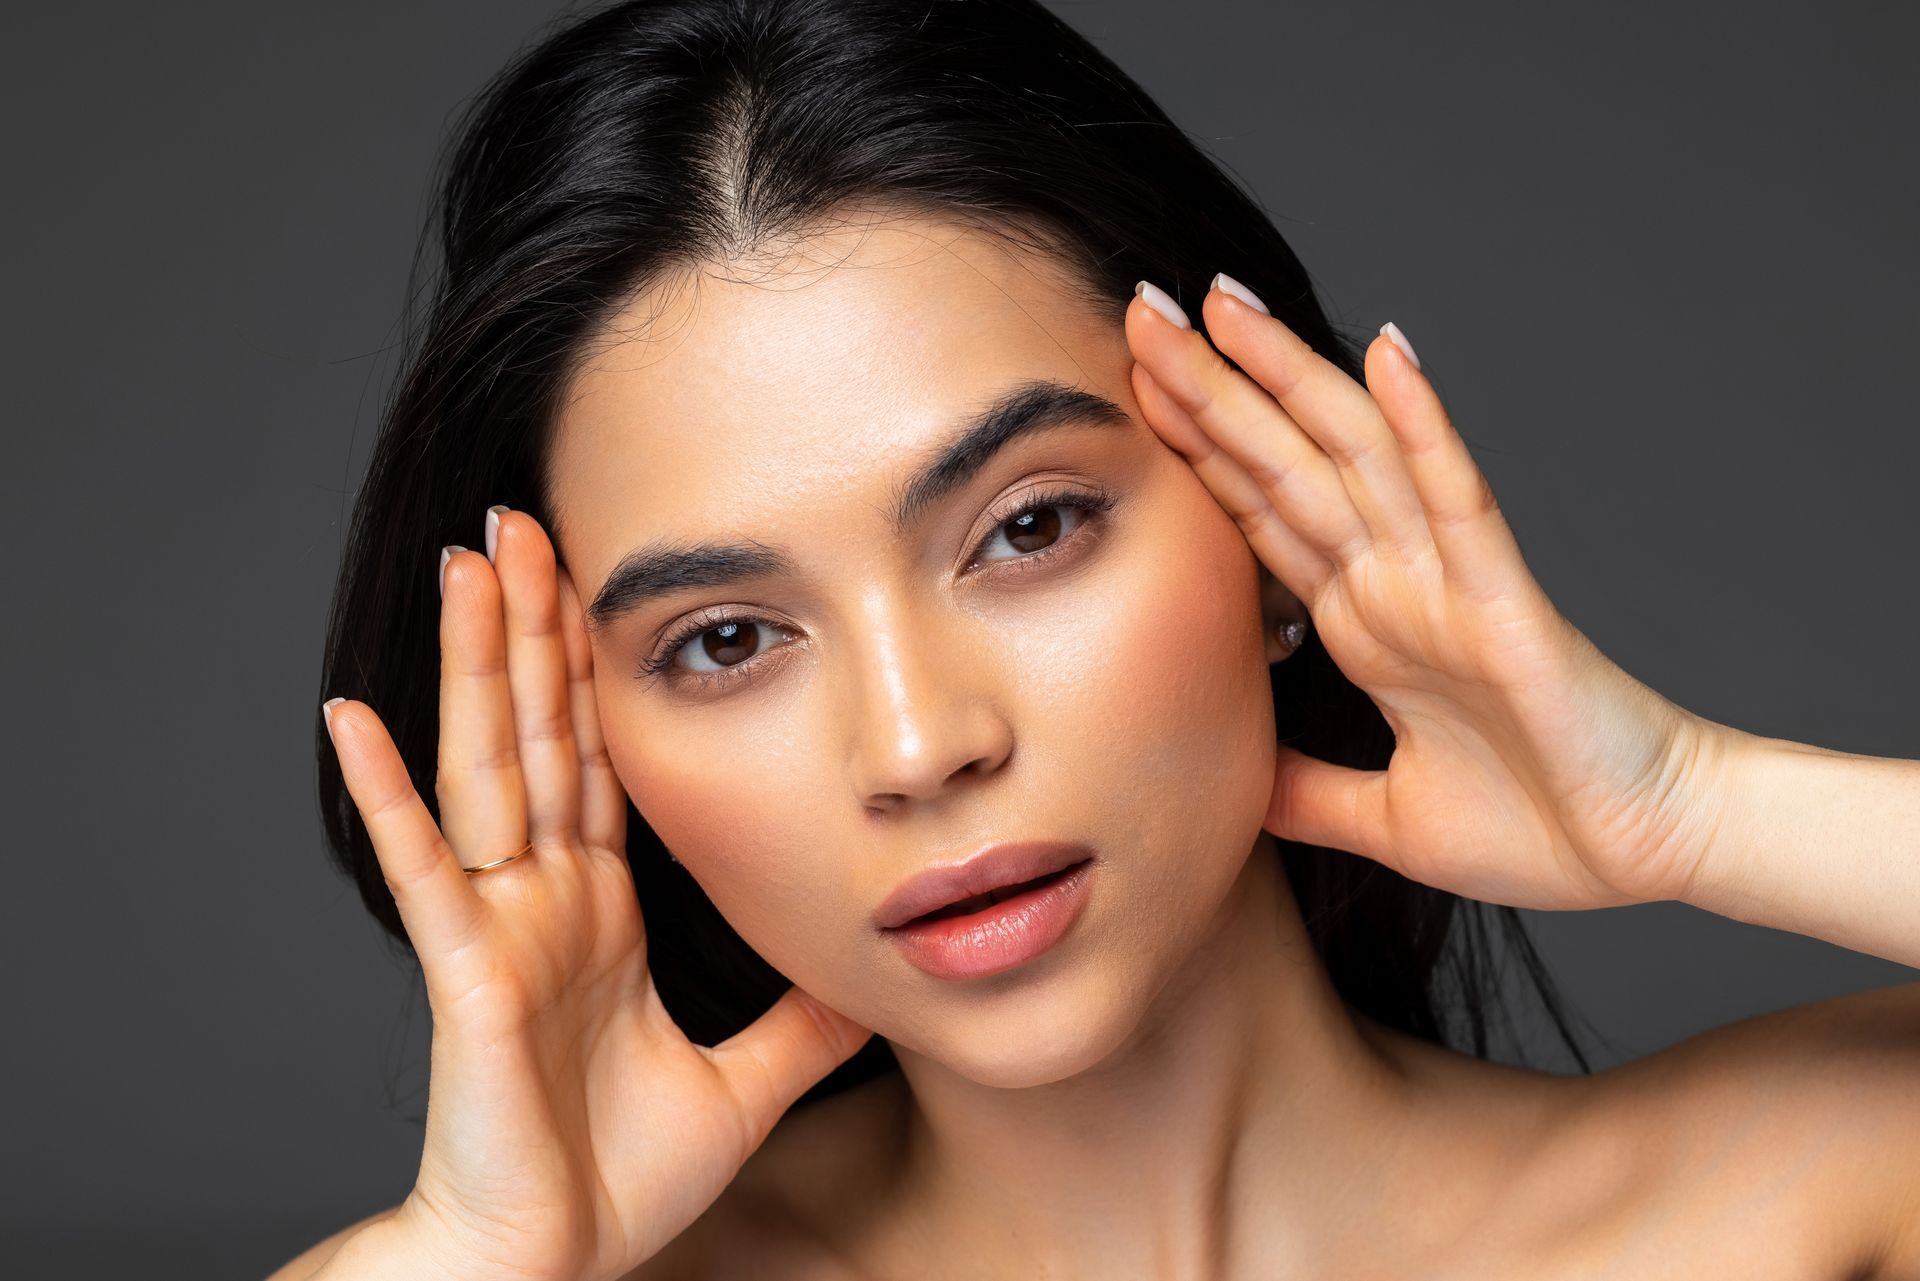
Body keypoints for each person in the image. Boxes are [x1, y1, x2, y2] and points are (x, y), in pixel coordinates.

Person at [274, 0, 1920, 1276]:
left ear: (1272, 524)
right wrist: (473, 1252)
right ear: (595, 740)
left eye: (1029, 526)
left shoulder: (1815, 1196)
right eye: (725, 641)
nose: (920, 743)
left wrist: (1690, 805)